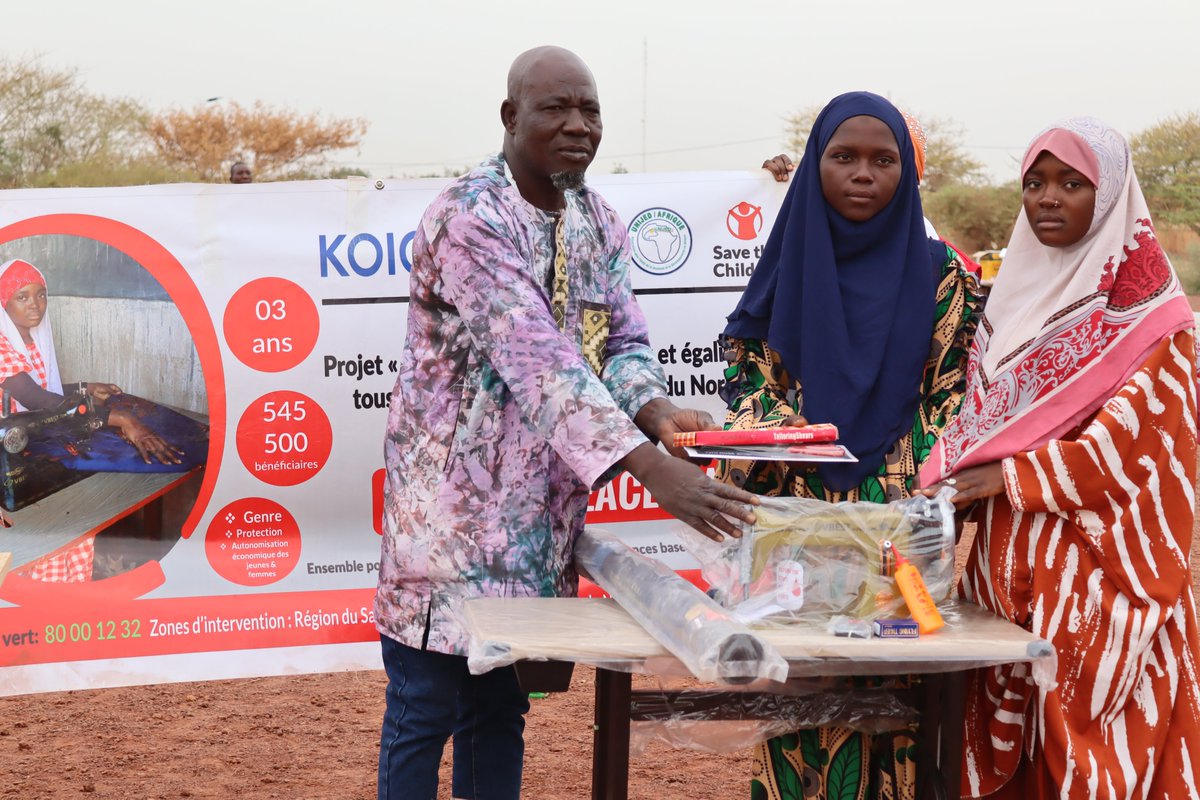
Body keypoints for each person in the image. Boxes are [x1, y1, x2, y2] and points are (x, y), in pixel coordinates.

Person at [375, 45, 759, 800]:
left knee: (500, 707)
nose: (578, 126)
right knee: (426, 707)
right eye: (557, 108)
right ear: (511, 117)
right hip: (447, 519)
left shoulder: (597, 219)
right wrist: (650, 469)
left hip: (532, 522)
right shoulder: (470, 216)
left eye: (590, 111)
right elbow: (540, 361)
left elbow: (619, 342)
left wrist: (658, 413)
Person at [918, 118, 1200, 798]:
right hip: (1003, 580)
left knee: (1086, 766)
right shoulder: (1011, 305)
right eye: (1035, 183)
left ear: (1110, 198)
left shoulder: (1157, 326)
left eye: (1073, 184)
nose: (1048, 198)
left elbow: (1137, 454)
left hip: (1100, 587)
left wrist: (1008, 476)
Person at [719, 92, 985, 798]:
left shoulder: (944, 275)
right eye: (843, 157)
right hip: (800, 524)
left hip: (898, 526)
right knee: (804, 694)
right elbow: (748, 376)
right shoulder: (786, 266)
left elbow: (952, 394)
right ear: (816, 166)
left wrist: (901, 488)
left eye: (883, 160)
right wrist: (799, 444)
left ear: (908, 173)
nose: (862, 173)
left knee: (901, 703)